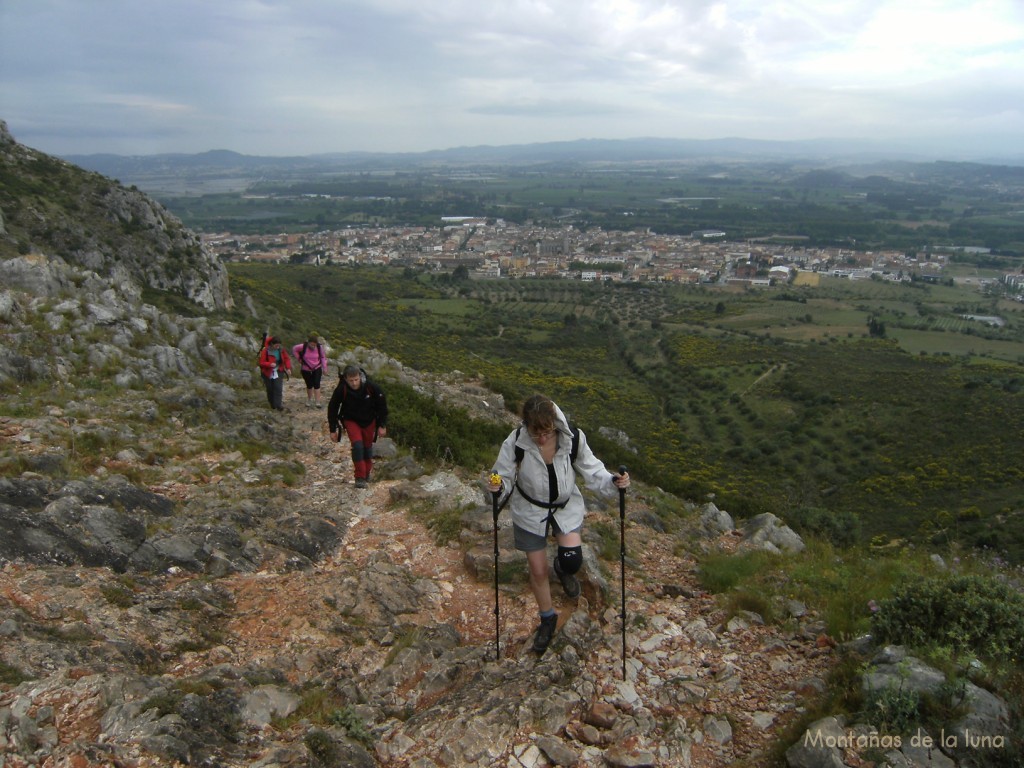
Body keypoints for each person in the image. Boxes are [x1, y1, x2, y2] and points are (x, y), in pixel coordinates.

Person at [487, 394, 629, 654]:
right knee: (538, 570)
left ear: (554, 423)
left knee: (573, 560)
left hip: (565, 507)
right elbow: (502, 473)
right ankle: (547, 617)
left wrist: (613, 481)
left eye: (547, 432)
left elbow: (592, 468)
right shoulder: (515, 442)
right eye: (535, 433)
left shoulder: (572, 438)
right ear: (526, 425)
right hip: (530, 509)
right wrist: (497, 487)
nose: (542, 438)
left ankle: (563, 568)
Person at [327, 365, 388, 488]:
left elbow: (382, 406)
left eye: (356, 379)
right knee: (358, 446)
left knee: (367, 447)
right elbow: (332, 408)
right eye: (351, 380)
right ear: (346, 379)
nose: (354, 383)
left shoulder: (371, 387)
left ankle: (366, 473)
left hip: (369, 420)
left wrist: (382, 425)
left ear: (360, 377)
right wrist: (332, 429)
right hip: (351, 420)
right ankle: (359, 477)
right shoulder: (342, 389)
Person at [291, 335, 329, 409]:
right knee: (309, 385)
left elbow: (322, 357)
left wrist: (324, 368)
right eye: (311, 344)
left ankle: (317, 401)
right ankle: (309, 400)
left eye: (314, 345)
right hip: (306, 368)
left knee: (317, 384)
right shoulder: (303, 346)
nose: (313, 346)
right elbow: (294, 349)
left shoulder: (319, 347)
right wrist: (299, 359)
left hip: (317, 367)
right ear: (308, 343)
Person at [257, 335, 292, 411]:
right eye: (276, 345)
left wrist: (288, 368)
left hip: (279, 370)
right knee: (270, 388)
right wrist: (269, 364)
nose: (277, 347)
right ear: (272, 344)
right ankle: (272, 404)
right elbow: (261, 362)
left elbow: (286, 359)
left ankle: (278, 405)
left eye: (279, 345)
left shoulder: (281, 350)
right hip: (267, 372)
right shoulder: (265, 351)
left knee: (278, 387)